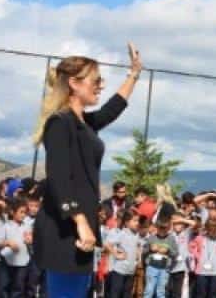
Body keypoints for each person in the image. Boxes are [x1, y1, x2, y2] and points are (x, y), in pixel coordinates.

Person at [33, 43, 143, 298]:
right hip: (64, 231)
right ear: (74, 82)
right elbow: (59, 178)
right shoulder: (59, 123)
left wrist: (134, 75)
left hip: (80, 231)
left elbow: (112, 109)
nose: (101, 85)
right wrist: (81, 222)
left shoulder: (85, 124)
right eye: (96, 80)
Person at [1, 199, 35, 298]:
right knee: (5, 285)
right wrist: (8, 243)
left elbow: (30, 240)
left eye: (25, 212)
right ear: (12, 212)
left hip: (23, 262)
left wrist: (30, 240)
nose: (23, 215)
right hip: (7, 260)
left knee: (18, 287)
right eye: (21, 212)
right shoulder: (6, 226)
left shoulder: (27, 226)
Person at [187, 216, 216, 298]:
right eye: (212, 230)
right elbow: (190, 246)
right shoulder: (200, 238)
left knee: (213, 294)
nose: (214, 232)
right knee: (201, 293)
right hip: (202, 271)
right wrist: (198, 256)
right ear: (207, 229)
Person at [142, 219, 177, 298]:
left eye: (164, 228)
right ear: (157, 228)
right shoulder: (152, 237)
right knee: (149, 290)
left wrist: (168, 250)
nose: (162, 230)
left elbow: (175, 253)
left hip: (164, 268)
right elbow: (144, 251)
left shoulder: (171, 239)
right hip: (151, 267)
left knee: (161, 291)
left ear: (168, 229)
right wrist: (150, 249)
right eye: (160, 228)